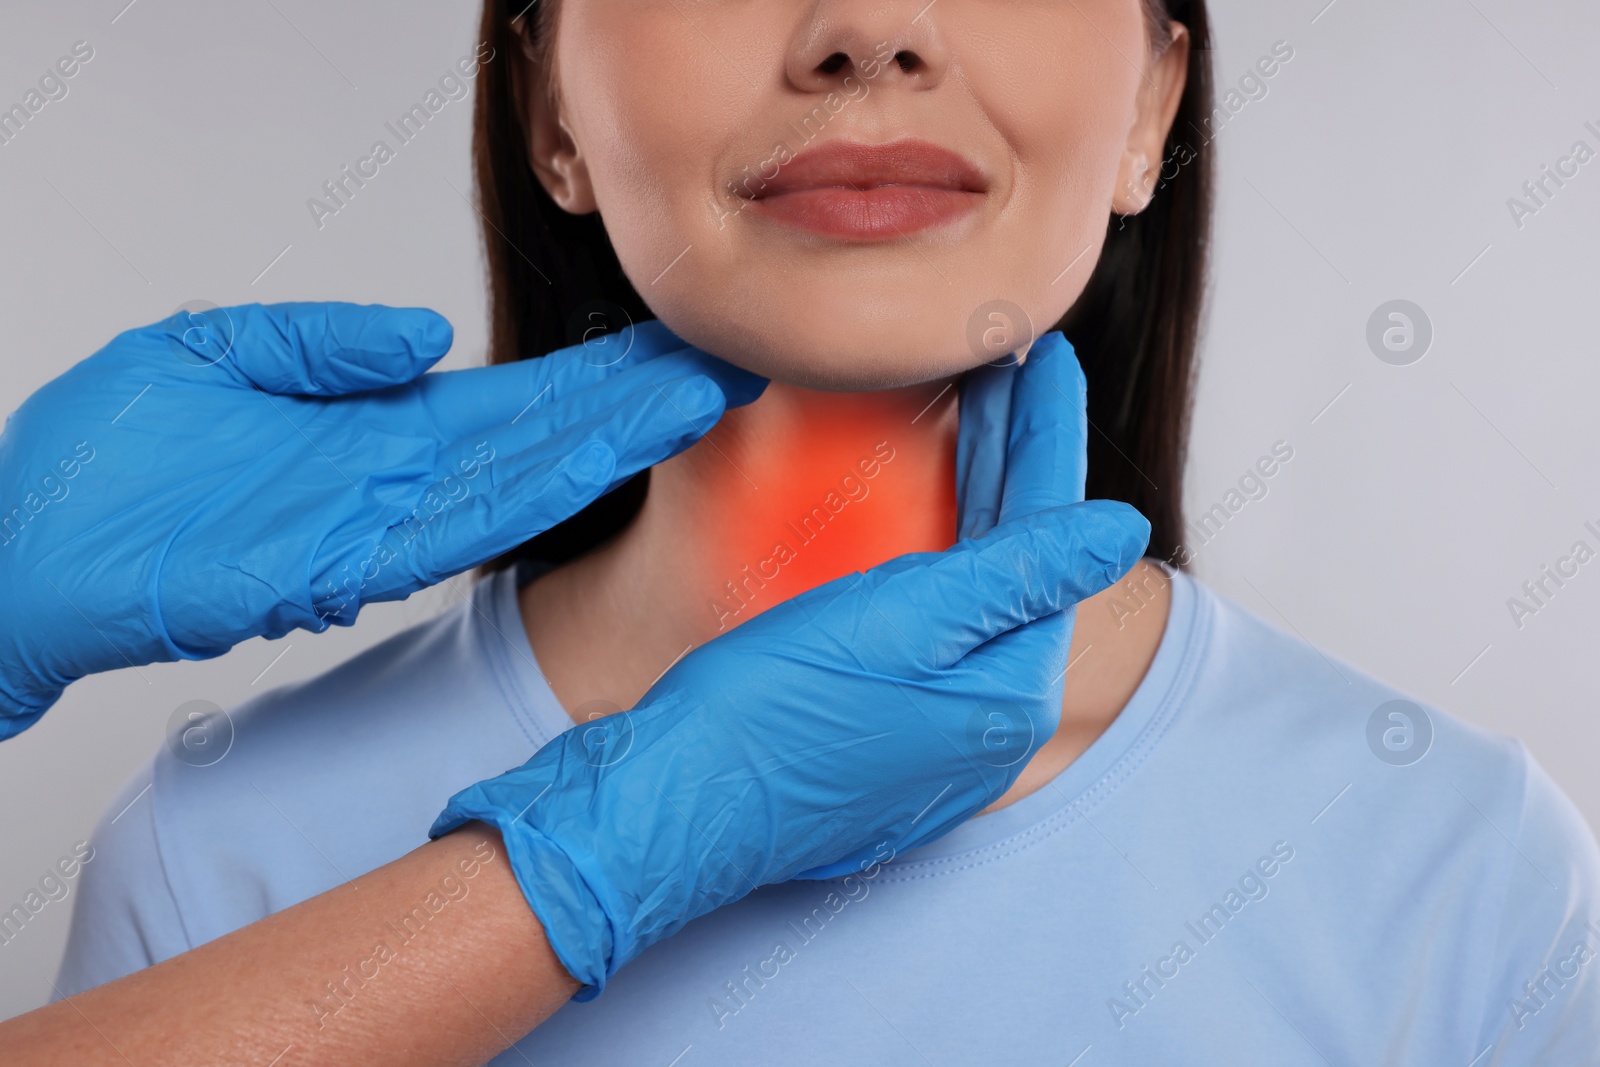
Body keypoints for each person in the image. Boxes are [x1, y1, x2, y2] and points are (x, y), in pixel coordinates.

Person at [20, 1, 1600, 1066]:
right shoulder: (220, 848)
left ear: (1153, 105)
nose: (868, 32)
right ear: (546, 103)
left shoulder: (1451, 866)